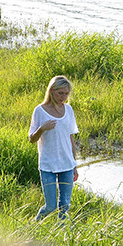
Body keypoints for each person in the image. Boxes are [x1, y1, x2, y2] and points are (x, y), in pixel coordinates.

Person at [29, 75, 79, 221]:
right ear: (51, 91)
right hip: (48, 165)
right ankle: (33, 226)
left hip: (67, 164)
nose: (63, 97)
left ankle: (62, 235)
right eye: (60, 93)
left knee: (65, 206)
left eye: (66, 93)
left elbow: (70, 138)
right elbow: (32, 139)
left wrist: (74, 165)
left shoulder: (68, 110)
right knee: (50, 206)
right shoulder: (40, 110)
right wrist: (42, 128)